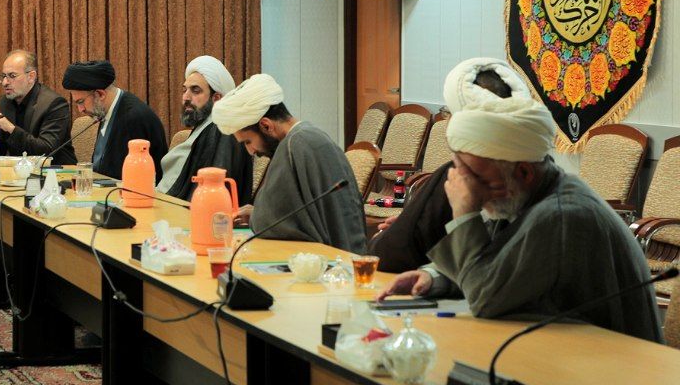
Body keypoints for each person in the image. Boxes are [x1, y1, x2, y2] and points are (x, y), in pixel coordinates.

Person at [378, 95, 661, 342]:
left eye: (475, 178)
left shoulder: (561, 215)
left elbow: (485, 298)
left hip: (615, 363)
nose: (467, 188)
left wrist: (464, 212)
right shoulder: (523, 197)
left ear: (524, 172)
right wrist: (432, 277)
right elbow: (495, 265)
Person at [371, 58, 529, 273]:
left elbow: (487, 280)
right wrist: (431, 274)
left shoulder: (462, 174)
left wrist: (462, 216)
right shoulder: (518, 167)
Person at [212, 74, 365, 252]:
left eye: (248, 142)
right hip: (348, 253)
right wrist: (256, 213)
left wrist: (255, 217)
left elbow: (268, 222)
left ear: (266, 125)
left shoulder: (293, 146)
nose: (251, 151)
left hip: (332, 259)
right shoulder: (309, 136)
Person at [156, 55, 252, 202]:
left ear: (217, 98)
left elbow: (214, 194)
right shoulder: (205, 125)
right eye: (184, 90)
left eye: (195, 91)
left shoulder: (224, 131)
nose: (186, 97)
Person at [62, 60, 167, 181]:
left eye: (81, 102)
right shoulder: (105, 110)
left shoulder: (133, 119)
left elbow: (127, 178)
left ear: (100, 94)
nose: (80, 109)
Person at [0, 49, 75, 164]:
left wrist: (10, 128)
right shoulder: (4, 102)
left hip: (56, 171)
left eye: (12, 76)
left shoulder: (54, 104)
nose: (5, 82)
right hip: (18, 171)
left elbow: (46, 151)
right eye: (3, 76)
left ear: (31, 76)